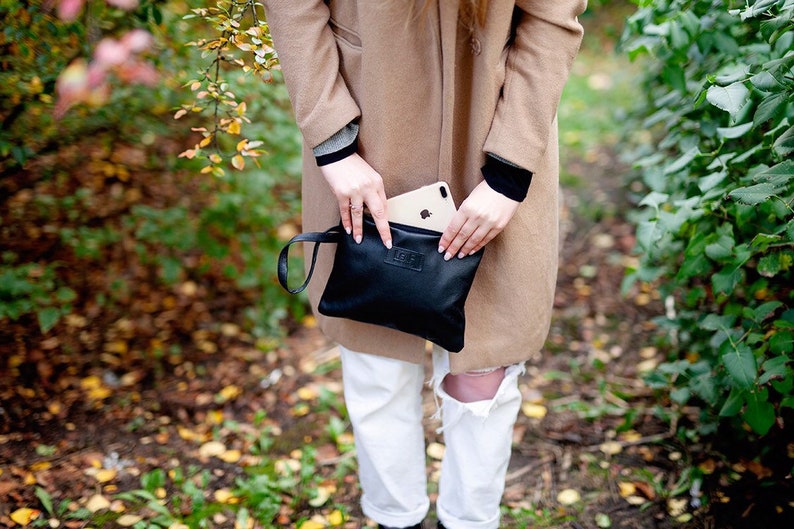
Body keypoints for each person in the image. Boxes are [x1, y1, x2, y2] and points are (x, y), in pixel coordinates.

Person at [263, 1, 586, 528]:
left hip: (496, 133)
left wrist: (509, 173)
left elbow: (551, 21)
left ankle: (470, 521)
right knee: (376, 362)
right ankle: (396, 519)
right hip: (368, 133)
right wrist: (333, 144)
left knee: (486, 369)